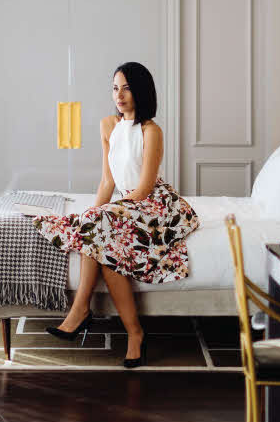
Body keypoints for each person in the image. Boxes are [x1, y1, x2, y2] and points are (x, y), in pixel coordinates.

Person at [32, 61, 200, 368]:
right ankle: (134, 333)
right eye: (114, 88)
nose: (119, 95)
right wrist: (97, 212)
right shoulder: (108, 125)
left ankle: (81, 311)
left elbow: (145, 187)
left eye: (126, 88)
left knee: (99, 225)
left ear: (141, 92)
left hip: (154, 205)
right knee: (100, 235)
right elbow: (108, 181)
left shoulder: (151, 131)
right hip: (126, 205)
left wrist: (105, 213)